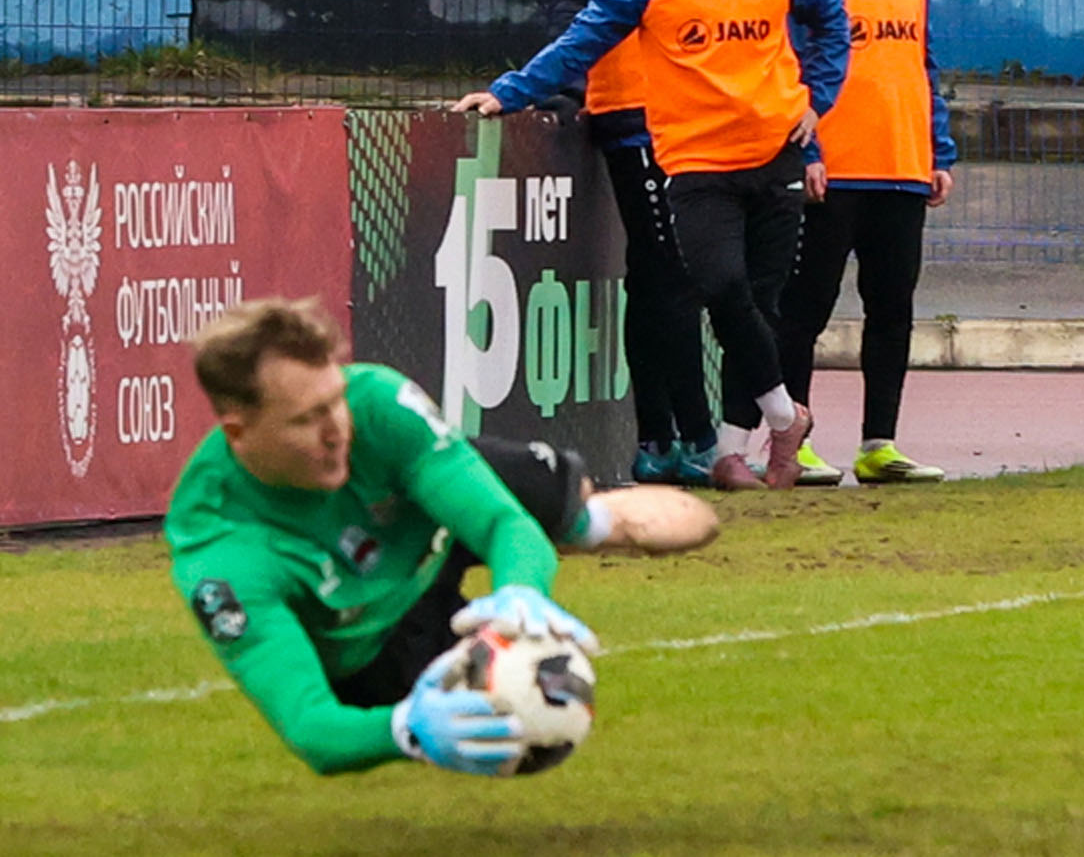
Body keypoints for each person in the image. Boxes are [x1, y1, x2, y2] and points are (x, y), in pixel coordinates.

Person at [166, 298, 718, 777]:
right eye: (307, 419)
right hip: (379, 643)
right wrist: (404, 728)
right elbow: (310, 726)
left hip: (429, 525)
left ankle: (587, 524)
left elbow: (503, 523)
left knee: (574, 510)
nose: (336, 429)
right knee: (510, 728)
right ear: (238, 431)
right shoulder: (220, 552)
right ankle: (571, 527)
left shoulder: (377, 405)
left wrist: (522, 589)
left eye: (335, 399)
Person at [455, 0, 849, 493]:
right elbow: (582, 39)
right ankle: (786, 417)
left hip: (775, 152)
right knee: (720, 287)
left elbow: (833, 21)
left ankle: (732, 451)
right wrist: (510, 91)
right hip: (694, 161)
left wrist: (818, 100)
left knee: (761, 302)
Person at [550, 0, 718, 490]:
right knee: (669, 273)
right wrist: (564, 87)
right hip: (629, 112)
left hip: (683, 112)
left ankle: (661, 441)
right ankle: (693, 436)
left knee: (660, 278)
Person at [776, 0, 957, 486]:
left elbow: (921, 61)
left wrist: (938, 149)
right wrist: (808, 148)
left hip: (902, 167)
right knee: (805, 309)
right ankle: (791, 442)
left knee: (892, 309)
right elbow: (788, 58)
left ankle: (879, 444)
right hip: (832, 169)